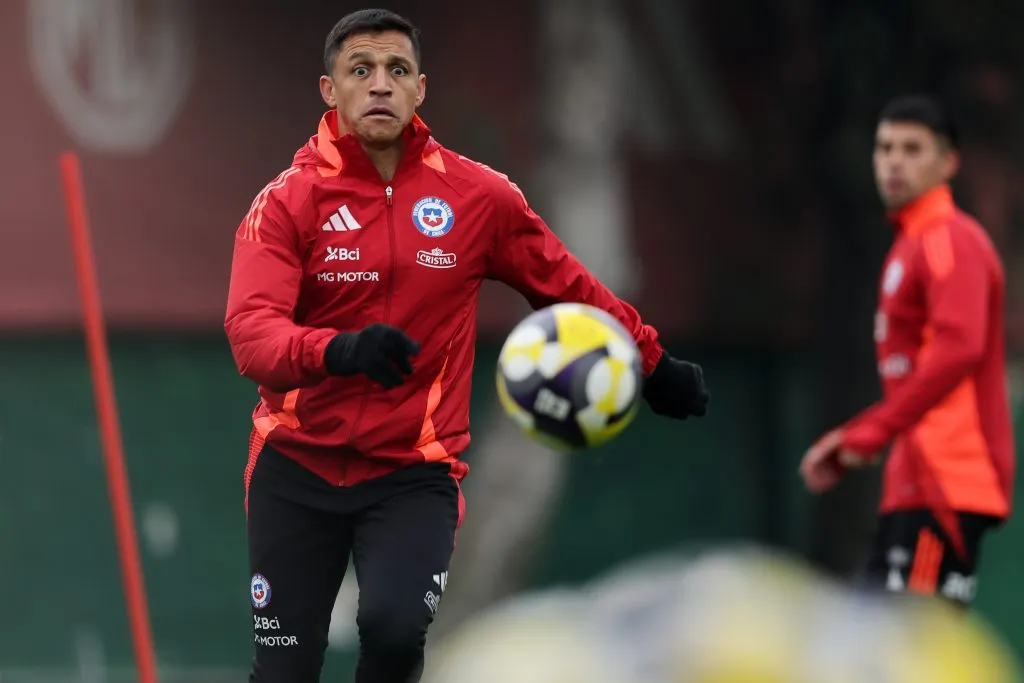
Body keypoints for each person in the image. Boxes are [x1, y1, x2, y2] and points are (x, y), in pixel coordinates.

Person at [223, 8, 710, 683]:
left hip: (413, 471)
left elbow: (568, 287)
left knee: (393, 634)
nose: (380, 85)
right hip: (295, 467)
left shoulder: (479, 197)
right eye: (360, 71)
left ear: (421, 87)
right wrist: (339, 351)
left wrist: (652, 367)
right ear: (329, 90)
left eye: (397, 70)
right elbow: (252, 333)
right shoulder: (284, 204)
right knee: (283, 668)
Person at [799, 95, 1015, 608]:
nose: (894, 161)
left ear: (948, 162)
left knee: (908, 654)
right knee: (876, 649)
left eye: (913, 149)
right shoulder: (909, 245)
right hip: (914, 482)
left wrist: (871, 430)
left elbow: (960, 345)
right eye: (885, 148)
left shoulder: (948, 239)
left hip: (946, 481)